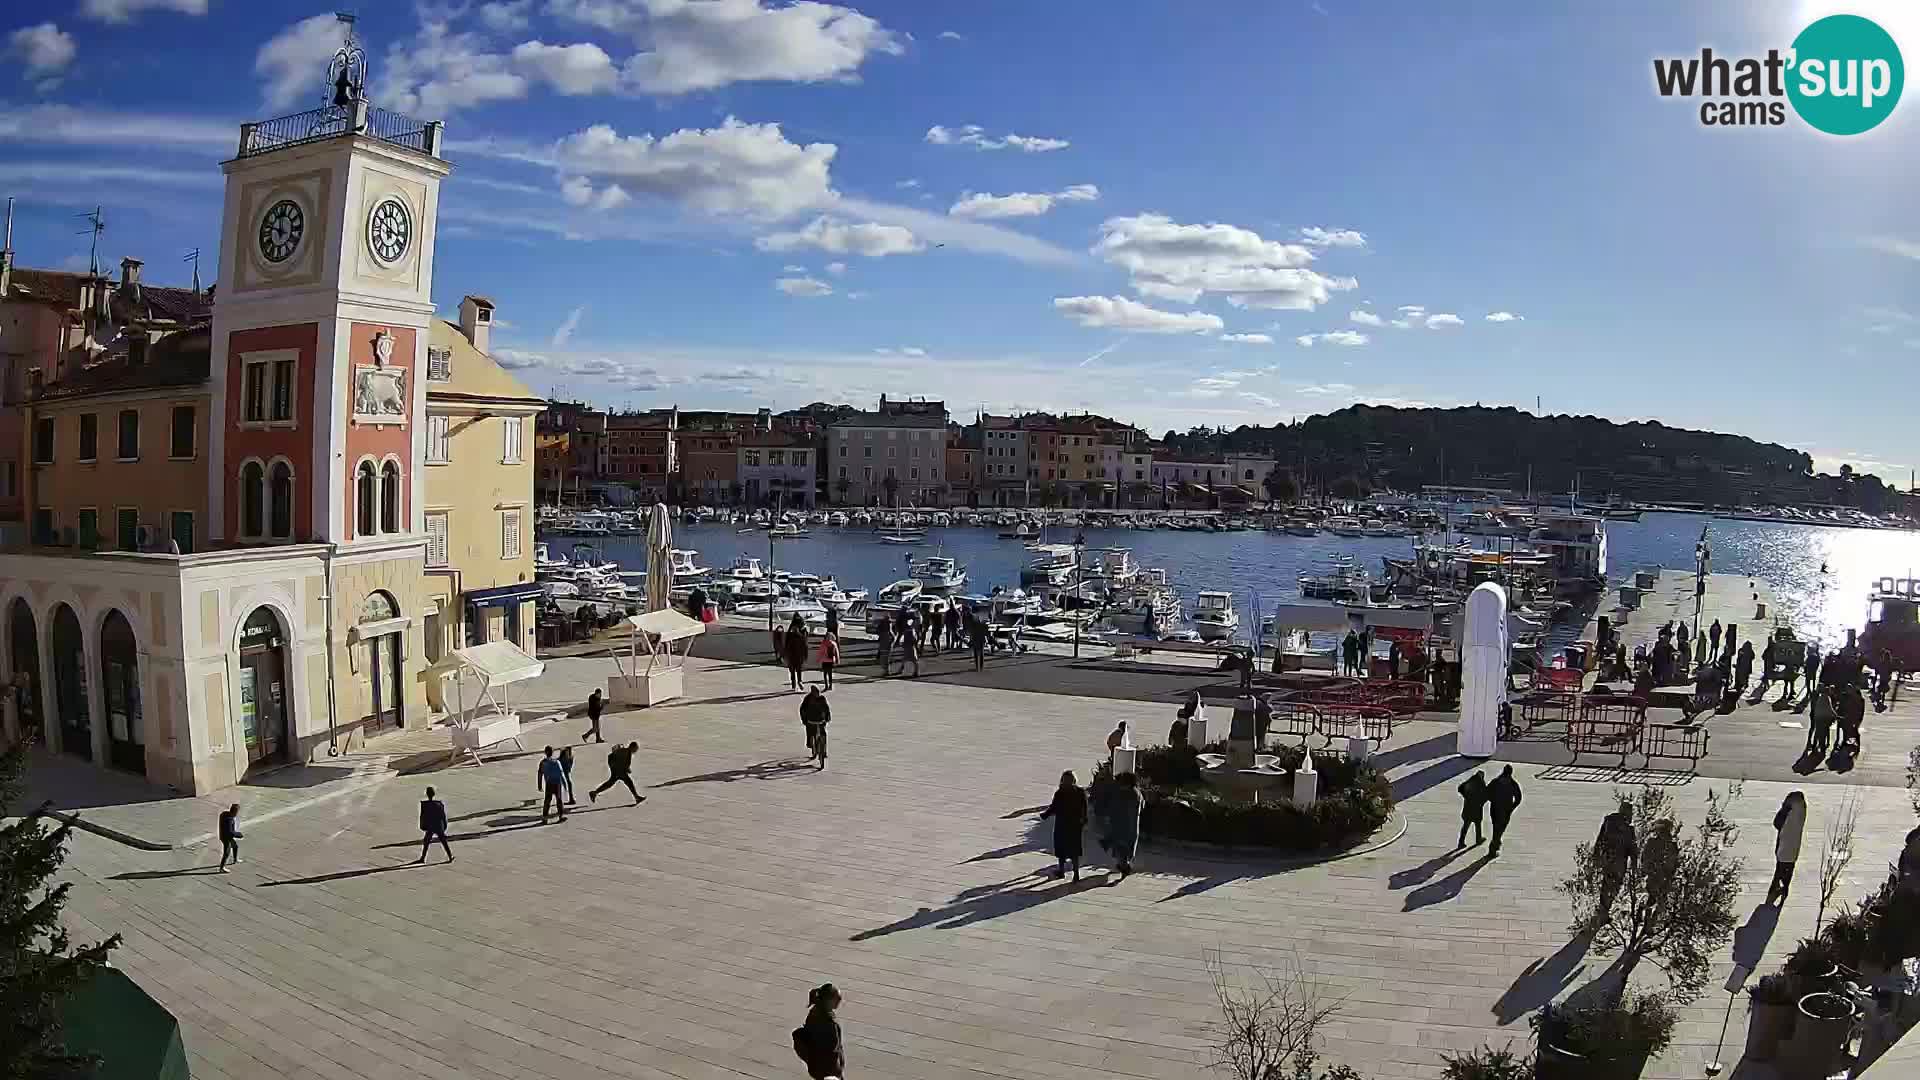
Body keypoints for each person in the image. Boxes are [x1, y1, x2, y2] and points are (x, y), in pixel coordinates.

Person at [1040, 770, 1089, 880]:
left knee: (1061, 849)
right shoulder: (1080, 792)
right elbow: (1084, 808)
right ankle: (1076, 874)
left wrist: (1045, 815)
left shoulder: (1060, 792)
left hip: (1062, 825)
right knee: (1074, 851)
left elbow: (1054, 807)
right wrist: (1084, 820)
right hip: (1075, 825)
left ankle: (1061, 871)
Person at [1594, 799, 1637, 923]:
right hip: (1619, 863)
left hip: (1608, 859)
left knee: (1606, 885)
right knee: (1613, 887)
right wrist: (1634, 866)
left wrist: (1596, 855)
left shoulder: (1609, 821)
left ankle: (1603, 910)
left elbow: (1600, 839)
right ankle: (1604, 910)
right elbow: (1632, 850)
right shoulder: (1629, 829)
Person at [794, 983, 844, 1080]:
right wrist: (837, 1074)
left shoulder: (815, 1011)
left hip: (816, 1066)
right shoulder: (830, 1024)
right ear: (828, 1000)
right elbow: (832, 1052)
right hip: (828, 1072)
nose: (840, 1000)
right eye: (837, 997)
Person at [1103, 772, 1145, 881]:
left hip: (1126, 826)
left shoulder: (1131, 794)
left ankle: (1124, 867)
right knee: (1122, 849)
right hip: (1124, 826)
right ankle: (1123, 865)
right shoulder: (1133, 793)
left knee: (1122, 848)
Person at [1768, 791, 1807, 904]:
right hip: (1794, 846)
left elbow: (1776, 823)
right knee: (1789, 870)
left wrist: (1783, 809)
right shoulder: (1802, 808)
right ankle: (1784, 891)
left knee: (1779, 870)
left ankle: (1773, 892)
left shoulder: (1788, 809)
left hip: (1784, 844)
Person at [1641, 818, 1680, 919]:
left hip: (1661, 877)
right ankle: (1647, 921)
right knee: (1655, 900)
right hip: (1658, 876)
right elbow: (1645, 859)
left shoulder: (1669, 845)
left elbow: (1674, 863)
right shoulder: (1657, 843)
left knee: (1656, 901)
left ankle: (1649, 921)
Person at [1486, 765, 1522, 857]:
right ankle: (1494, 847)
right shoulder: (1513, 783)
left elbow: (1487, 792)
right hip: (1506, 810)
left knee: (1496, 828)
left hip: (1494, 809)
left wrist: (1493, 800)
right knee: (1500, 829)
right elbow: (1518, 798)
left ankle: (1495, 844)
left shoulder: (1495, 781)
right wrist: (1512, 807)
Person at [415, 786, 453, 863]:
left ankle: (423, 858)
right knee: (443, 841)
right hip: (438, 825)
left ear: (426, 794)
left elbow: (422, 817)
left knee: (426, 842)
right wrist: (444, 826)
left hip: (430, 826)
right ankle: (450, 856)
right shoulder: (439, 804)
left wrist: (422, 826)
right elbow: (443, 816)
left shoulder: (424, 805)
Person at [800, 686, 830, 769]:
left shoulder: (821, 698)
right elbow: (802, 709)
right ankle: (812, 746)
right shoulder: (808, 699)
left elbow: (826, 709)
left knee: (823, 735)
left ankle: (823, 751)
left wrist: (827, 718)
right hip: (811, 721)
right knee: (811, 734)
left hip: (820, 721)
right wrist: (804, 720)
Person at [1457, 770, 1489, 847]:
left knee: (1466, 826)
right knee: (1478, 825)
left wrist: (1466, 796)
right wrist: (1481, 802)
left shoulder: (1470, 781)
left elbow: (1460, 788)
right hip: (1477, 808)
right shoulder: (1481, 784)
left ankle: (1461, 842)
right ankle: (1478, 839)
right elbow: (1486, 795)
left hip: (1468, 807)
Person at [538, 746, 569, 824]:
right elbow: (561, 774)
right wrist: (565, 785)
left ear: (545, 752)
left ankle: (545, 818)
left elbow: (540, 774)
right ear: (552, 752)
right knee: (559, 800)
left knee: (547, 801)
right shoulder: (557, 762)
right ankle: (561, 816)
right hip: (557, 783)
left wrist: (539, 785)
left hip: (549, 784)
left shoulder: (543, 763)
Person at [784, 615, 809, 691]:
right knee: (794, 669)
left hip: (797, 653)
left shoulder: (802, 631)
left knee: (797, 669)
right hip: (793, 652)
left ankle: (798, 682)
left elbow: (805, 641)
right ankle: (795, 684)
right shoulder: (791, 631)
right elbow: (787, 642)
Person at [217, 803, 243, 872]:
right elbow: (230, 832)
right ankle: (221, 868)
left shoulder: (224, 814)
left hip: (225, 835)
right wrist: (239, 835)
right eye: (237, 812)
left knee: (235, 846)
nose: (237, 814)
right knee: (227, 852)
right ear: (235, 812)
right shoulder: (229, 819)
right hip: (226, 838)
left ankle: (235, 859)